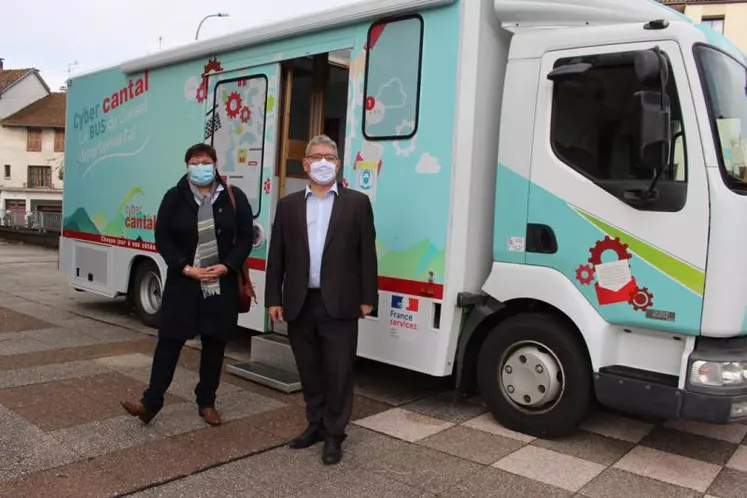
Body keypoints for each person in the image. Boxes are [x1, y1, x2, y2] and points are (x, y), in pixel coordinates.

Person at [121, 143, 254, 427]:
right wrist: (186, 268)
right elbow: (163, 239)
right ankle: (150, 402)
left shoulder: (234, 197)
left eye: (204, 161)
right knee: (169, 343)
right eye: (194, 162)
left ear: (215, 163)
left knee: (214, 345)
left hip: (220, 286)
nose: (200, 167)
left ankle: (206, 402)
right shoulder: (174, 197)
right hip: (183, 284)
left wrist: (227, 266)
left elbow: (245, 238)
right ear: (187, 167)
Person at [266, 134, 378, 465]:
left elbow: (366, 254)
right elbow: (277, 256)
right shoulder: (288, 206)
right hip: (300, 302)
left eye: (330, 157)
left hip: (341, 303)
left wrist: (368, 297)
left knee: (339, 371)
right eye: (316, 157)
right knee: (309, 370)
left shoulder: (357, 203)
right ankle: (314, 425)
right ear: (305, 164)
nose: (323, 162)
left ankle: (335, 435)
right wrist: (274, 297)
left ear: (339, 164)